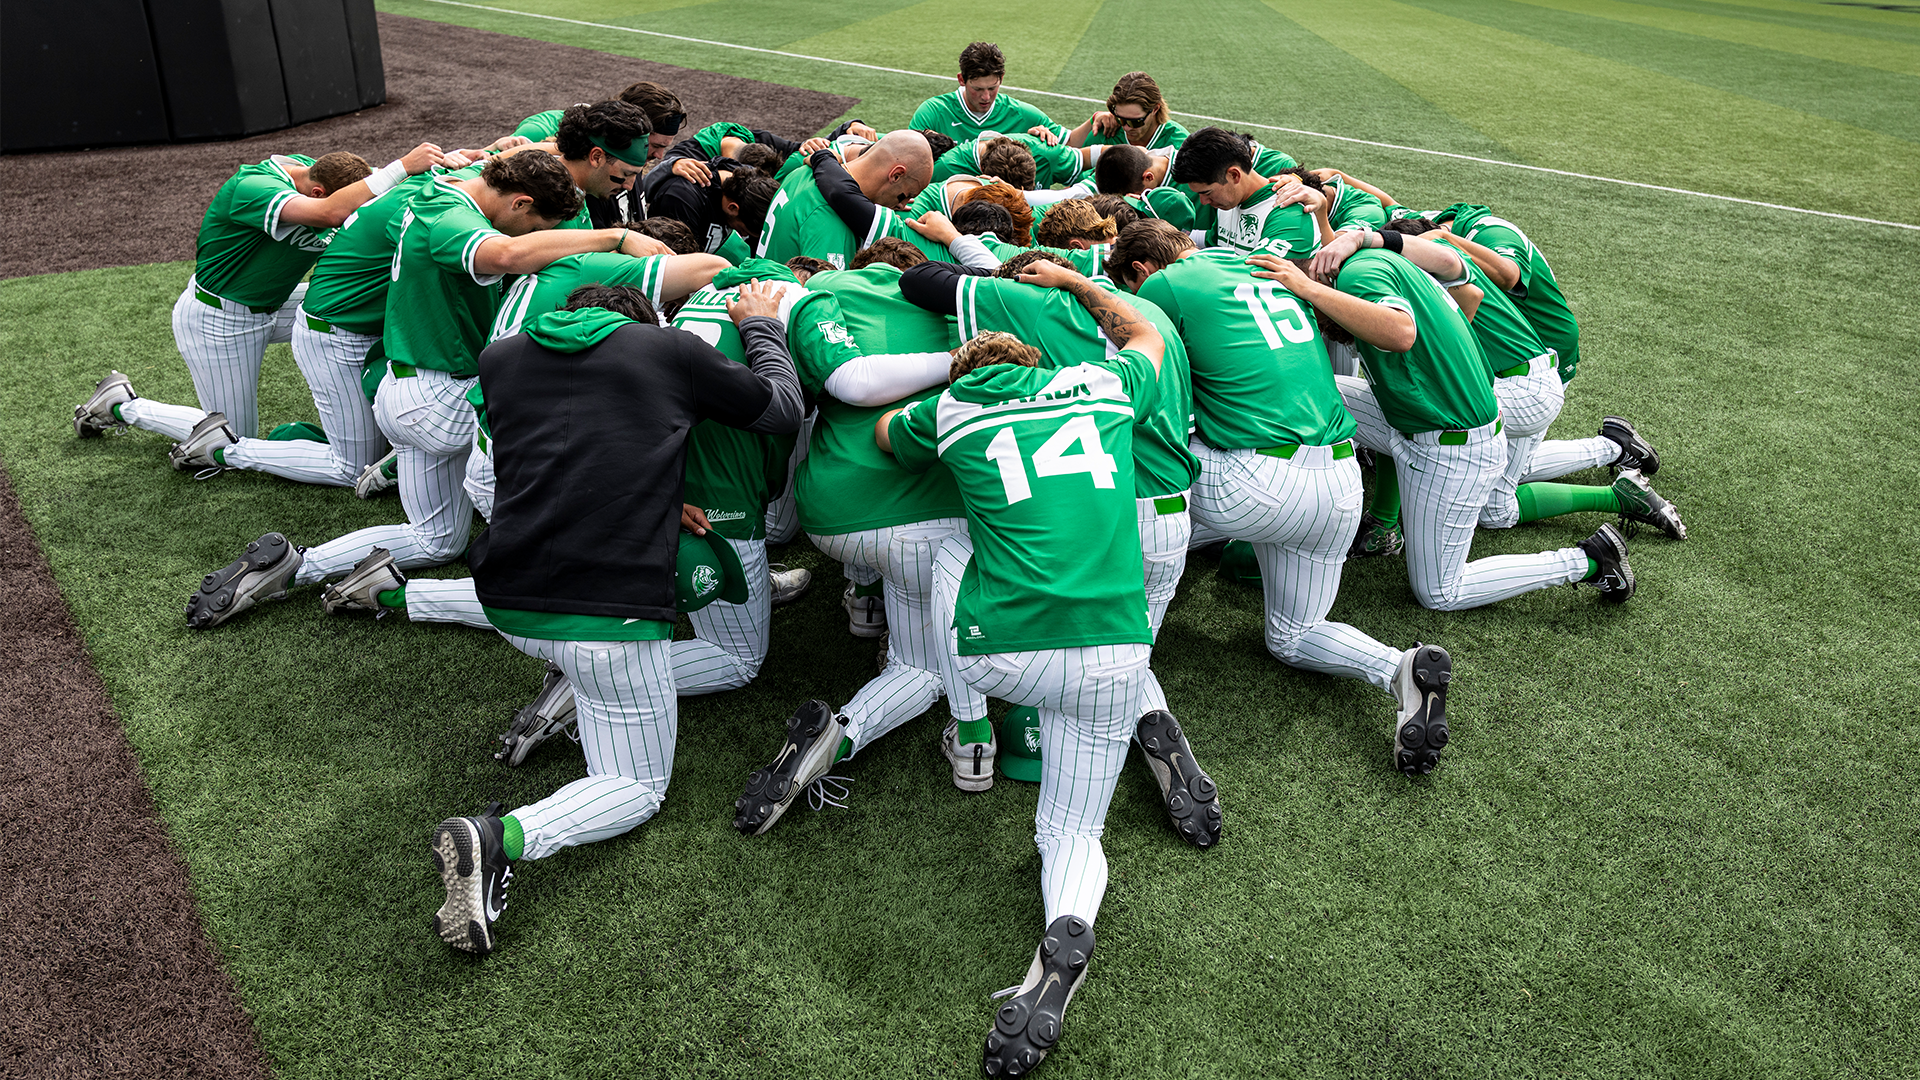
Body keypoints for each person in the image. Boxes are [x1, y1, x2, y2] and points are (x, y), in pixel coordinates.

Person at [424, 280, 804, 955]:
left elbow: (575, 446)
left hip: (509, 596)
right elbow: (778, 412)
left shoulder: (501, 358)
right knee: (634, 786)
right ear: (647, 323)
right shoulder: (669, 349)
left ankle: (570, 687)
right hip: (605, 610)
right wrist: (763, 329)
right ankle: (501, 838)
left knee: (596, 670)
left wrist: (659, 501)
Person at [182, 151, 667, 629]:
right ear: (519, 204)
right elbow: (505, 254)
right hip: (436, 401)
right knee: (542, 432)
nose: (536, 237)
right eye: (537, 224)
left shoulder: (447, 193)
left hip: (410, 393)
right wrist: (616, 237)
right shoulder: (453, 218)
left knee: (437, 540)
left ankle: (296, 564)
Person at [877, 262, 1162, 1074]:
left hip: (1004, 658)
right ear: (1038, 364)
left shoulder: (953, 407)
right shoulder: (1098, 386)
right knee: (1072, 829)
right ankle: (1060, 937)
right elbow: (1143, 333)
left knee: (950, 549)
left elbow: (882, 439)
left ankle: (970, 733)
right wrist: (1086, 290)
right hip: (1115, 650)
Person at [1107, 218, 1456, 776]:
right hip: (1341, 485)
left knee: (1133, 514)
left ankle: (1140, 694)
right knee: (1293, 636)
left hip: (1250, 484)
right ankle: (1398, 668)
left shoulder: (1160, 287)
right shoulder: (1252, 264)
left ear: (1141, 270)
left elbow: (1152, 379)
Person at [898, 251, 1219, 846]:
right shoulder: (1148, 318)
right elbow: (1143, 338)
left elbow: (917, 281)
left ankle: (975, 729)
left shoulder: (1026, 307)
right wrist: (1076, 281)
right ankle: (1154, 726)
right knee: (1124, 644)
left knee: (1070, 623)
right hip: (1171, 509)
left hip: (1102, 515)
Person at [732, 243, 998, 831]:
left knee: (915, 633)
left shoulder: (816, 293)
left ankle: (847, 699)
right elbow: (856, 381)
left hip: (836, 508)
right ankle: (960, 730)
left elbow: (827, 392)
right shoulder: (975, 303)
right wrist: (956, 358)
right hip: (937, 502)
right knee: (947, 611)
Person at [1246, 233, 1639, 612]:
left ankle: (1587, 559)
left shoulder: (1356, 275)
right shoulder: (1367, 264)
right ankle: (1364, 517)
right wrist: (1360, 238)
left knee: (1439, 592)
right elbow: (1455, 270)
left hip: (1453, 446)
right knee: (1315, 394)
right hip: (1430, 418)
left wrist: (1311, 290)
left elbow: (1400, 332)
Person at [74, 142, 454, 447]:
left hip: (280, 303)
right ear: (318, 190)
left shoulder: (325, 172)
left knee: (350, 310)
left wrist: (454, 164)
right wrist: (402, 165)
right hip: (220, 318)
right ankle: (122, 405)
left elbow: (377, 192)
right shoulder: (253, 187)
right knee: (230, 436)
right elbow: (329, 214)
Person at [756, 131, 934, 270]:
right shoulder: (834, 217)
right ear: (896, 175)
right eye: (906, 195)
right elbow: (826, 301)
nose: (903, 205)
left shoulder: (802, 171)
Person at [1170, 127, 1317, 260]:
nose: (1203, 201)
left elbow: (1258, 274)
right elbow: (1210, 240)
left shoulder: (1288, 211)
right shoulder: (1230, 202)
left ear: (1234, 175)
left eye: (1207, 192)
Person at [909, 41, 1067, 145]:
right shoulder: (932, 112)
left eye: (992, 88)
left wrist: (1092, 119)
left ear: (1001, 79)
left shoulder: (1022, 114)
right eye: (977, 89)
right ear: (961, 79)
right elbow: (909, 157)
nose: (986, 97)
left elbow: (1071, 141)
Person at [1066, 71, 1189, 151]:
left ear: (1155, 109)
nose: (1126, 128)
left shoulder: (1179, 144)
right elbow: (1074, 182)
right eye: (1120, 119)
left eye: (1135, 122)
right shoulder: (1106, 131)